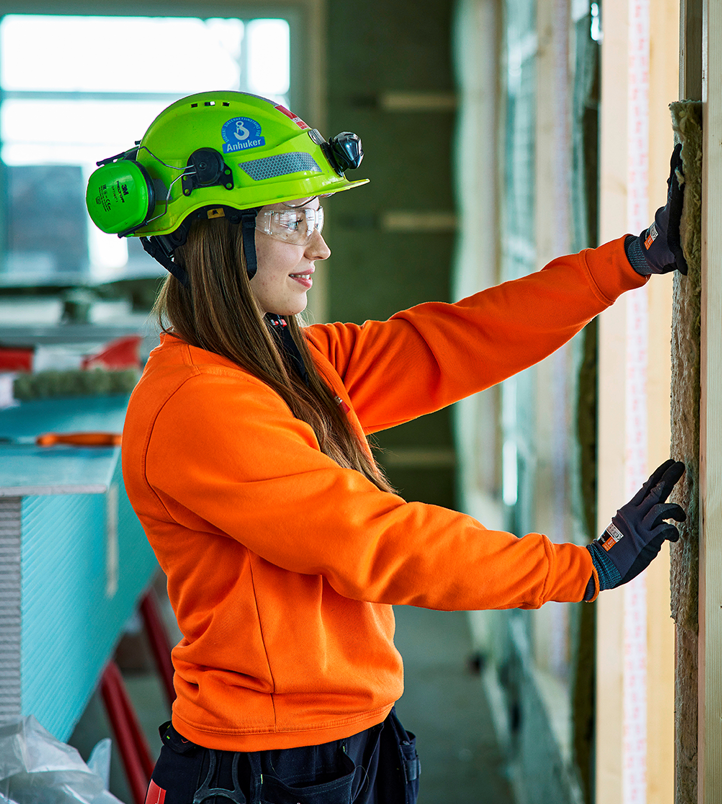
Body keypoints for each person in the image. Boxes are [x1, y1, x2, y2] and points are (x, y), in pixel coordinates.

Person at [85, 91, 689, 804]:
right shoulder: (199, 406)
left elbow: (458, 341)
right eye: (290, 219)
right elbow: (377, 541)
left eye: (316, 216)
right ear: (215, 235)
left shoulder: (286, 362)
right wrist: (578, 568)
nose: (319, 245)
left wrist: (631, 261)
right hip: (266, 772)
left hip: (343, 741)